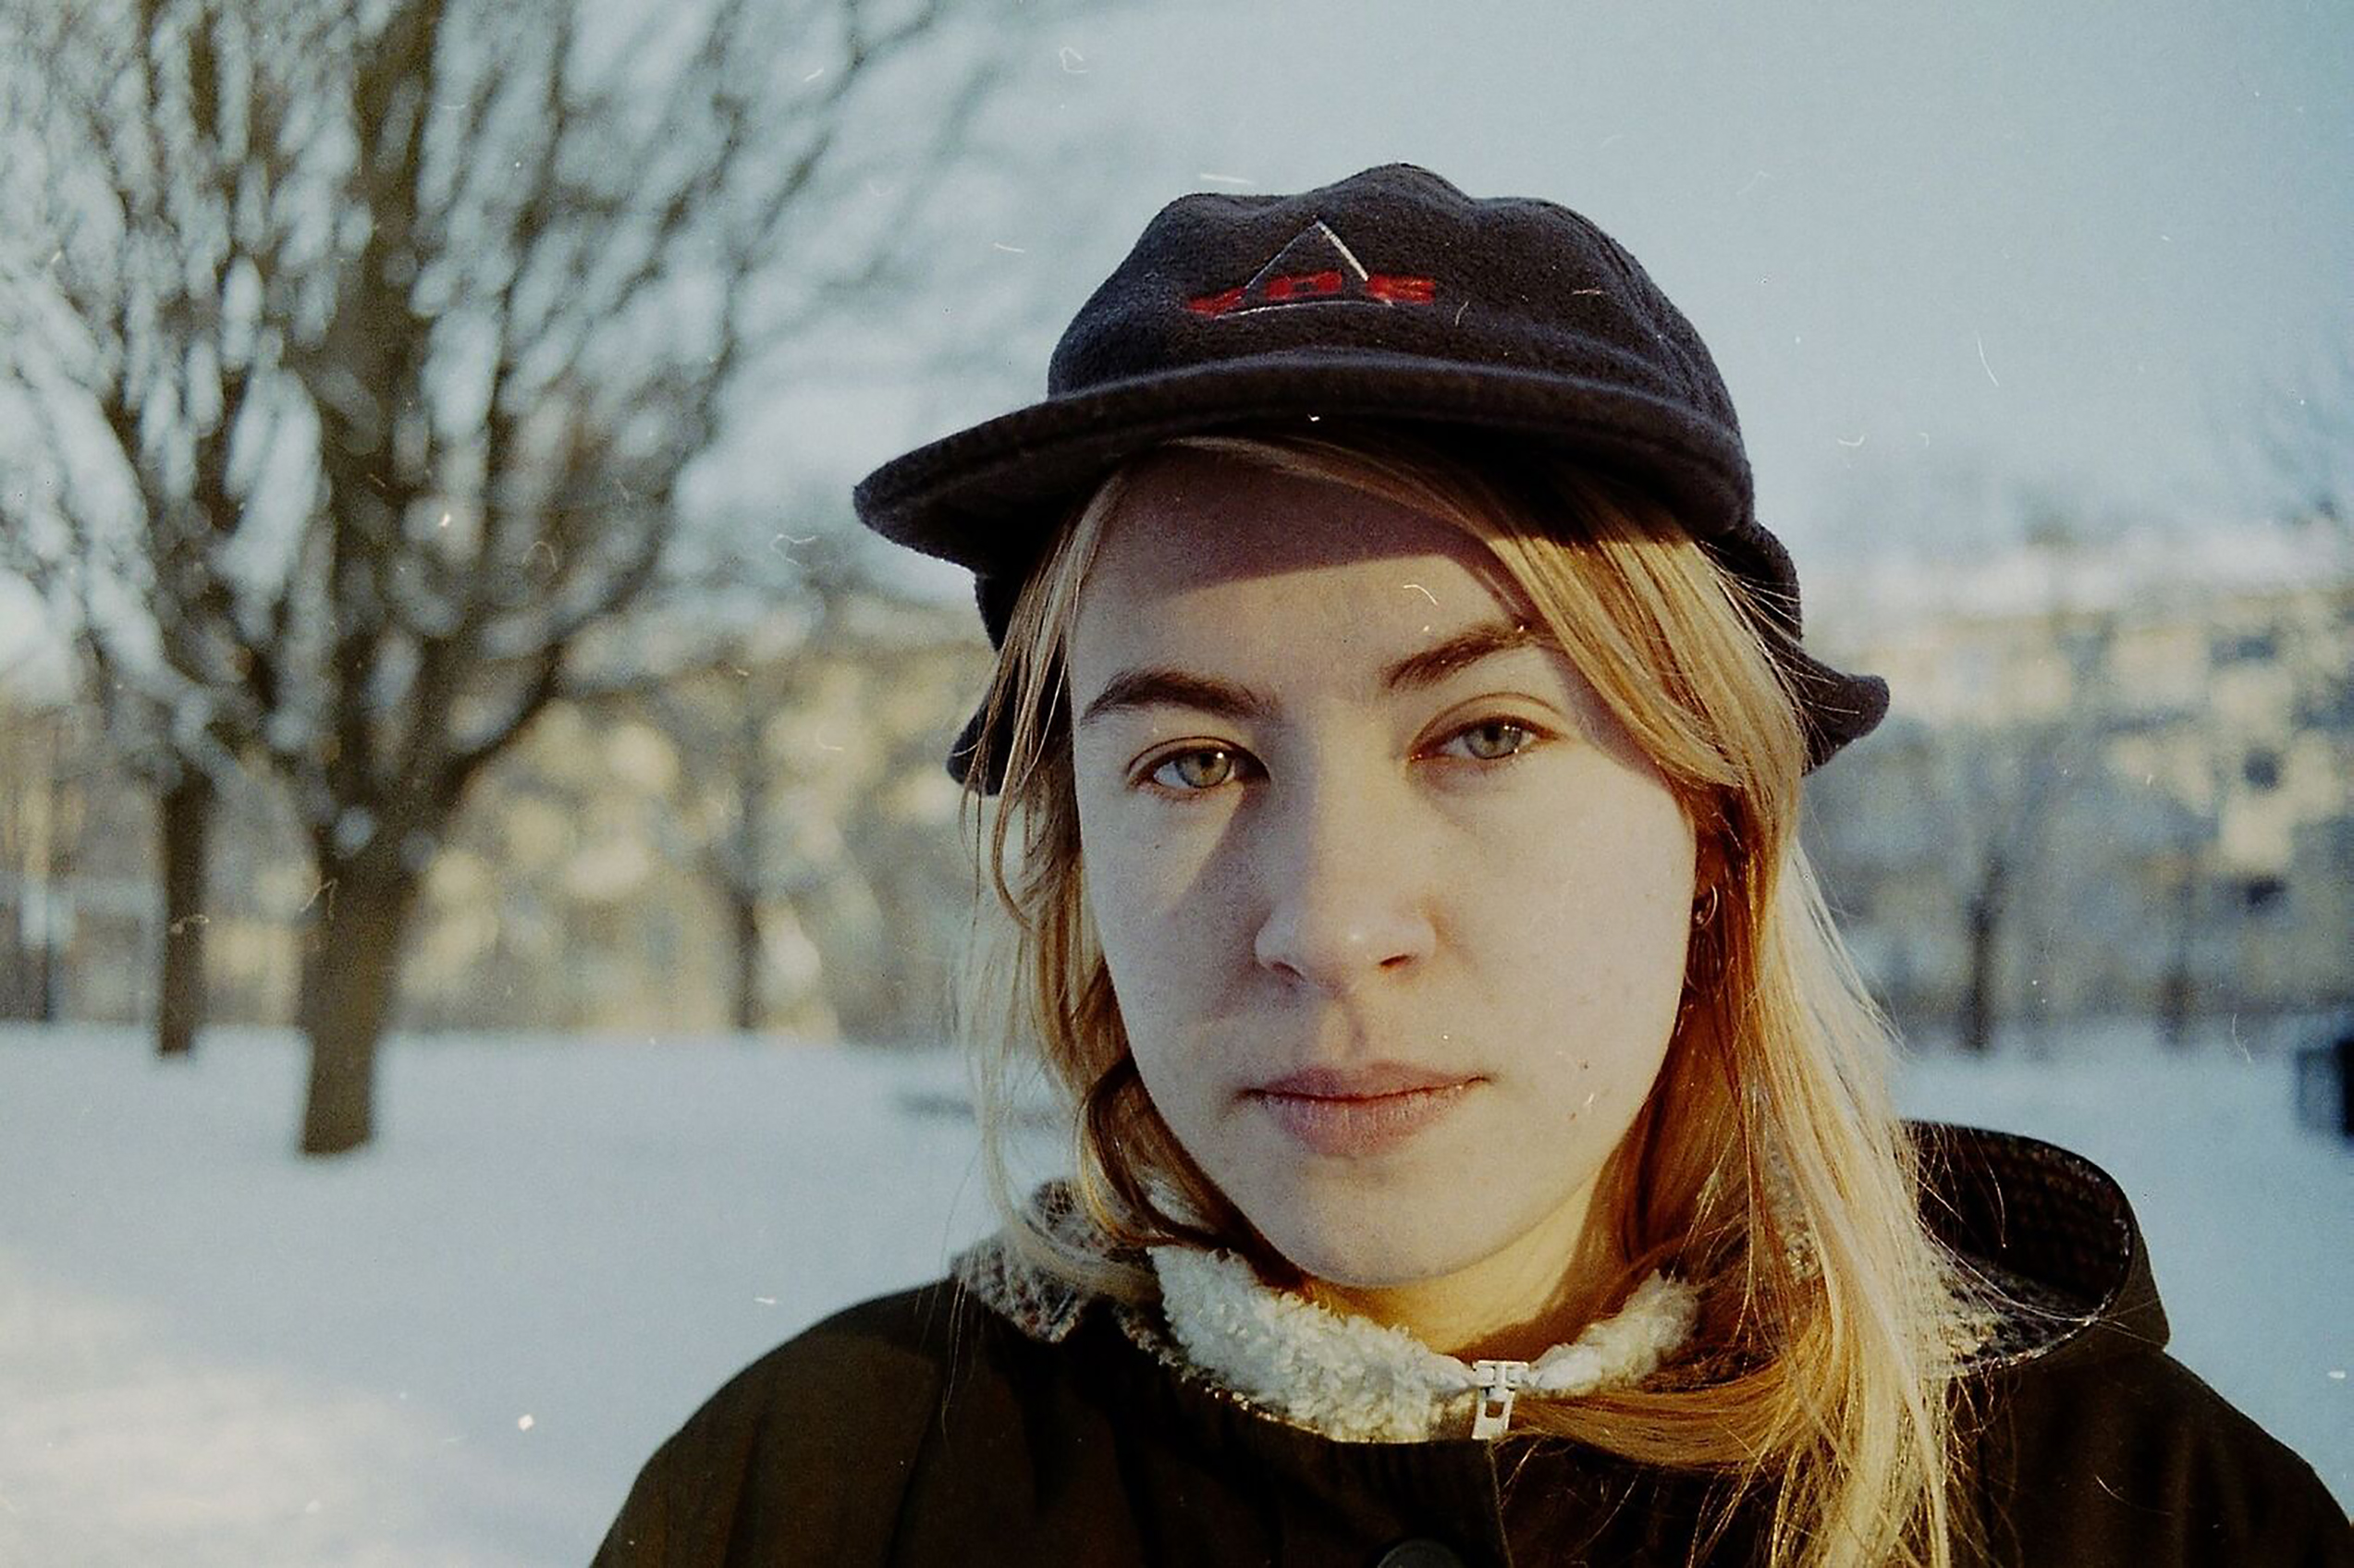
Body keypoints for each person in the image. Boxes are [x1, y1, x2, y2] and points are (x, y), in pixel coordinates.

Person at [595, 165, 2350, 1567]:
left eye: (1484, 734)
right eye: (1191, 761)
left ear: (1715, 829)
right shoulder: (803, 1499)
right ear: (1074, 860)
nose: (1329, 925)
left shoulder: (2151, 1522)